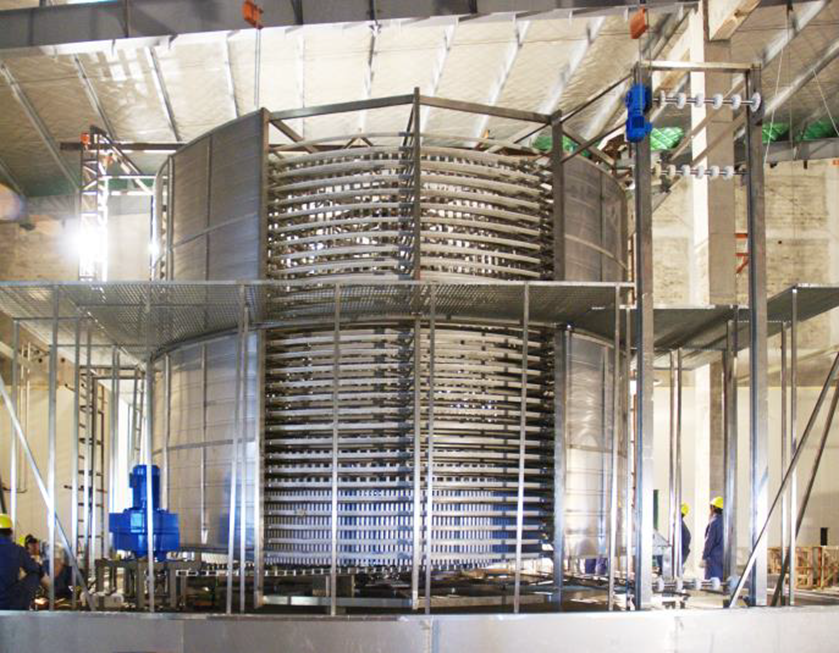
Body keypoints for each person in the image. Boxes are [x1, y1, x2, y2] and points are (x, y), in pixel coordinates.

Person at [0, 514, 44, 610]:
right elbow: (35, 569)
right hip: (9, 603)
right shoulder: (17, 550)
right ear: (10, 532)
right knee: (35, 574)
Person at [702, 496, 724, 580]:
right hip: (724, 556)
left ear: (713, 508)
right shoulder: (726, 521)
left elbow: (709, 541)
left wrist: (704, 557)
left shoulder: (714, 522)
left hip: (714, 558)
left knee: (712, 583)